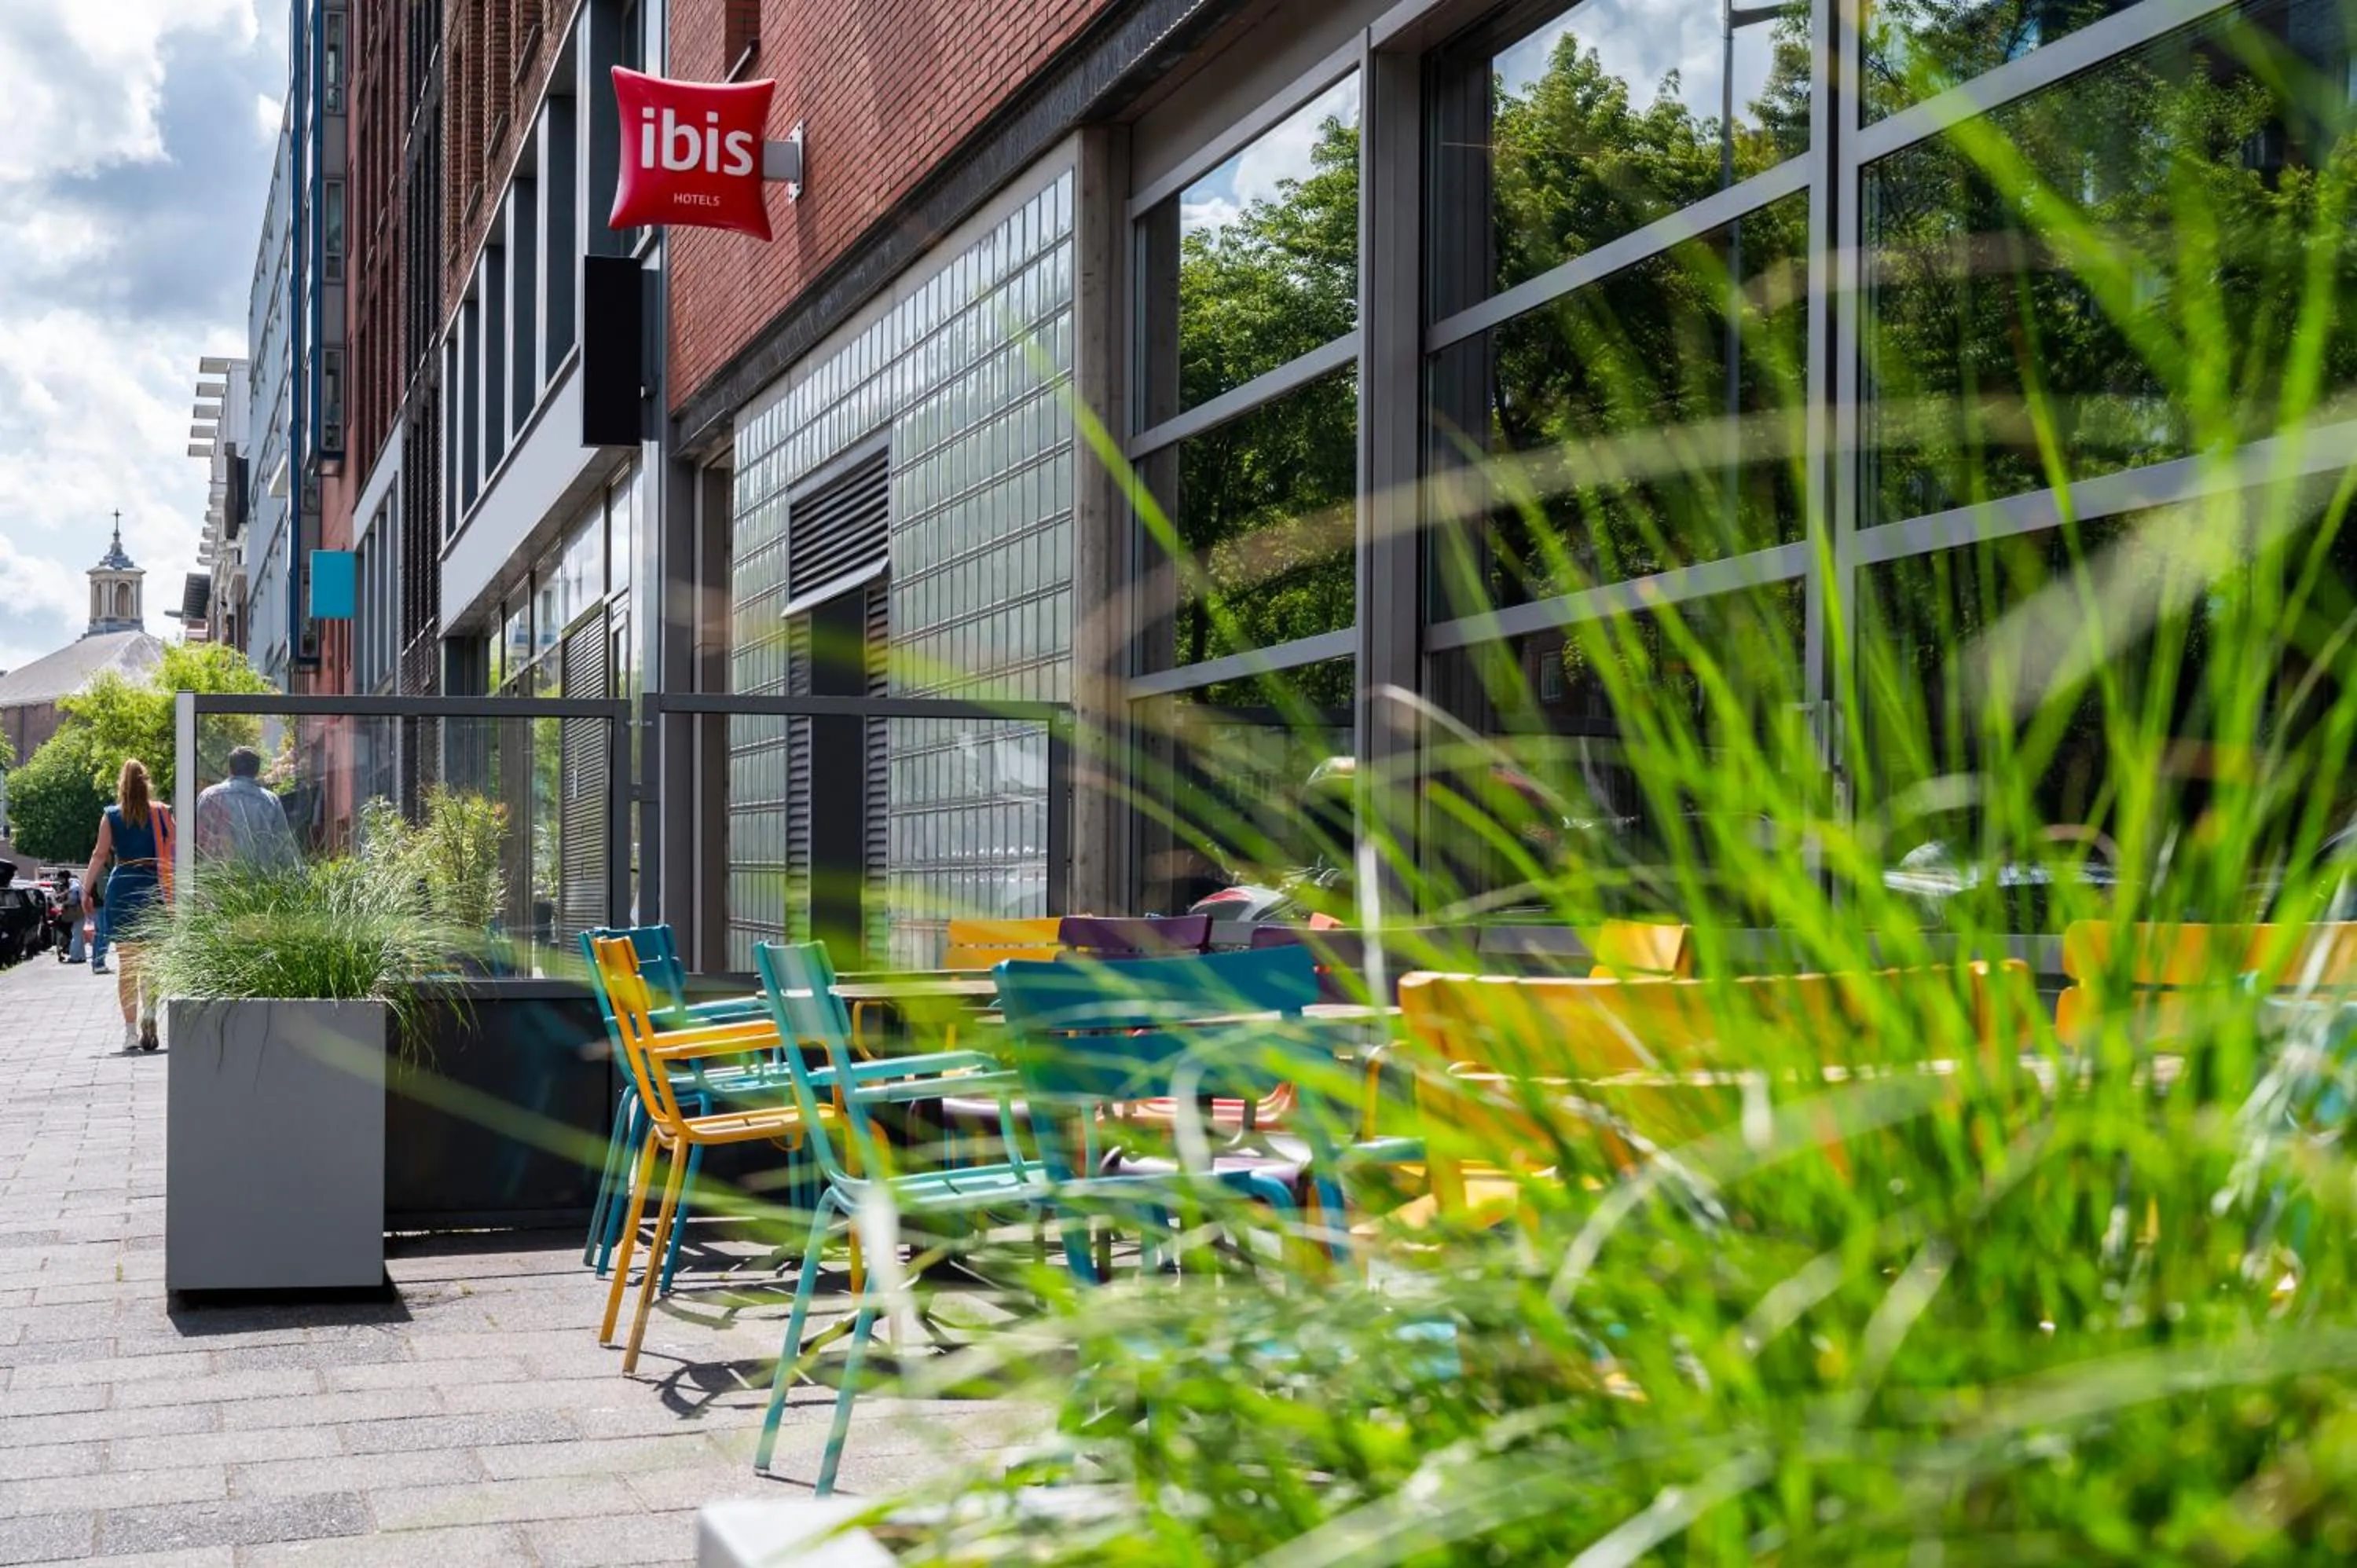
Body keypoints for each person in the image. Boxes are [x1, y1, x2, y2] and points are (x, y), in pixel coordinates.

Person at [84, 760, 174, 1051]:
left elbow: (99, 856)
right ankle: (150, 1012)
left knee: (127, 965)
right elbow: (174, 849)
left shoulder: (111, 816)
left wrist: (86, 890)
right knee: (152, 962)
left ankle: (131, 1033)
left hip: (122, 885)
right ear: (146, 782)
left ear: (121, 785)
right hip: (152, 886)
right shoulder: (161, 813)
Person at [196, 746, 299, 870]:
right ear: (257, 771)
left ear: (230, 769)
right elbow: (284, 846)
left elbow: (197, 841)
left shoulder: (209, 797)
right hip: (256, 884)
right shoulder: (270, 801)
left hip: (216, 882)